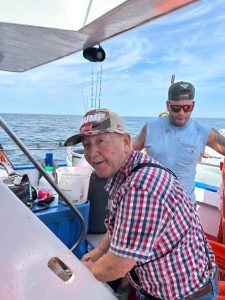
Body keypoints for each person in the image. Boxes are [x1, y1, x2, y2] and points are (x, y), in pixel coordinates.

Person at [64, 108, 219, 300]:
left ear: (126, 142)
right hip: (155, 285)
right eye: (86, 145)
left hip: (184, 294)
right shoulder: (129, 168)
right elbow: (120, 226)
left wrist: (82, 273)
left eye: (100, 141)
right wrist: (99, 251)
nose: (91, 153)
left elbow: (117, 265)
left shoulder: (141, 187)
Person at [133, 81, 225, 203]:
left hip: (185, 206)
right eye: (176, 108)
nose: (182, 113)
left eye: (187, 108)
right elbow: (128, 153)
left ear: (194, 105)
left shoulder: (204, 132)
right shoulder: (150, 128)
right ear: (168, 105)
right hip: (153, 203)